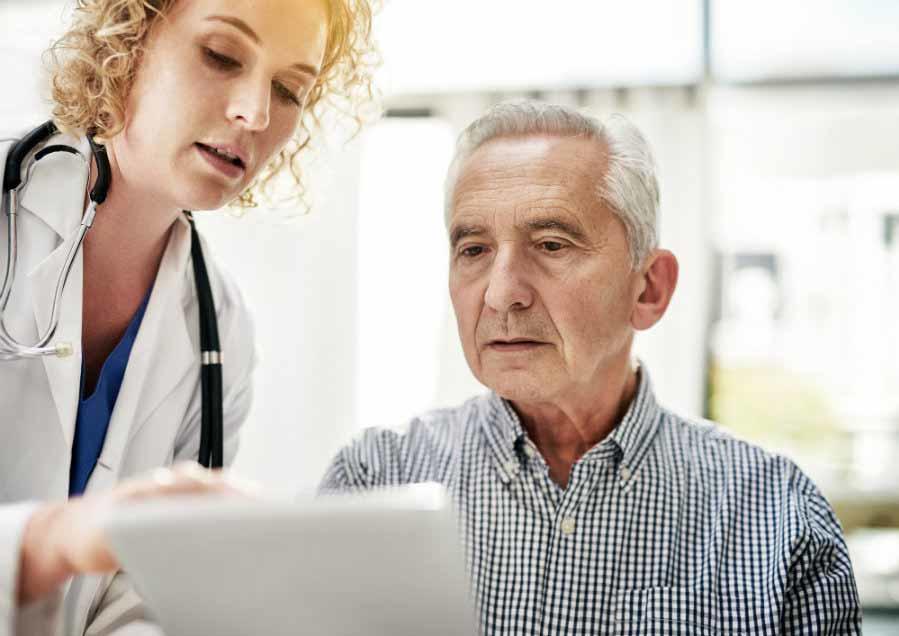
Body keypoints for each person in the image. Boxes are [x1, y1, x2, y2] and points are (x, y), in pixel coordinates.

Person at [320, 101, 862, 634]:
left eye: (551, 244)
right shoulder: (372, 482)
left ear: (649, 289)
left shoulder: (781, 521)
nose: (501, 294)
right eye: (474, 250)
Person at [0, 0, 375, 633]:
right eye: (221, 56)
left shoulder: (221, 331)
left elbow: (139, 598)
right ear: (126, 41)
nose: (256, 114)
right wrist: (48, 543)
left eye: (288, 90)